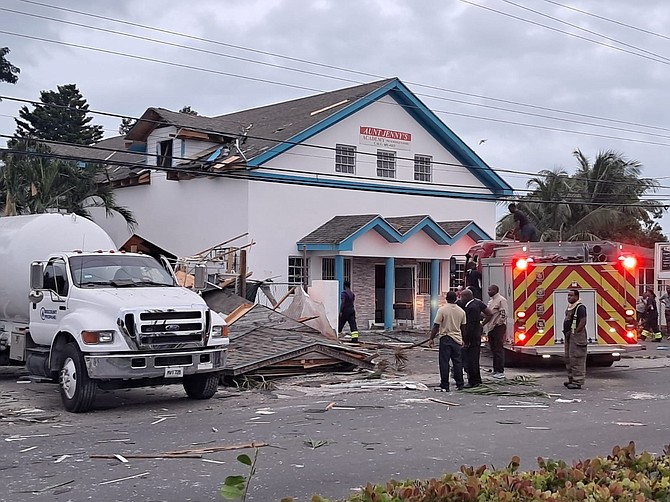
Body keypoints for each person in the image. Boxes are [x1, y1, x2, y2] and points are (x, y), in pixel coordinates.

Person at [428, 291, 466, 392]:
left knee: (444, 362)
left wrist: (431, 338)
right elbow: (463, 327)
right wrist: (463, 339)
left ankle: (445, 384)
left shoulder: (442, 310)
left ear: (446, 298)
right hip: (457, 339)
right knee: (457, 362)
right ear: (456, 298)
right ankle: (460, 384)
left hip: (445, 338)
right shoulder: (461, 311)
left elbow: (436, 325)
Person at [459, 288, 493, 388]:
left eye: (461, 297)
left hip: (472, 337)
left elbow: (470, 326)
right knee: (474, 359)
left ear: (466, 297)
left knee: (471, 361)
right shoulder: (477, 302)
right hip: (477, 335)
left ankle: (473, 381)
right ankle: (477, 380)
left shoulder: (471, 308)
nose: (460, 299)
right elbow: (489, 313)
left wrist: (466, 340)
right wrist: (482, 324)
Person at [562, 289, 588, 390]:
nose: (569, 297)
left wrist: (576, 332)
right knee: (569, 358)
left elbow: (583, 321)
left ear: (577, 297)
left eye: (571, 295)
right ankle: (571, 379)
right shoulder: (570, 307)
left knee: (577, 358)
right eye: (568, 295)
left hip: (576, 336)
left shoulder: (580, 307)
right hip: (569, 335)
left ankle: (578, 381)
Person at [483, 284, 508, 379]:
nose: (488, 291)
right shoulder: (491, 301)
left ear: (495, 290)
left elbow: (504, 313)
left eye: (490, 290)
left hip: (498, 327)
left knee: (498, 349)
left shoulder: (501, 300)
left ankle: (500, 371)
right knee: (493, 349)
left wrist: (498, 323)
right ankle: (495, 369)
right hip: (491, 327)